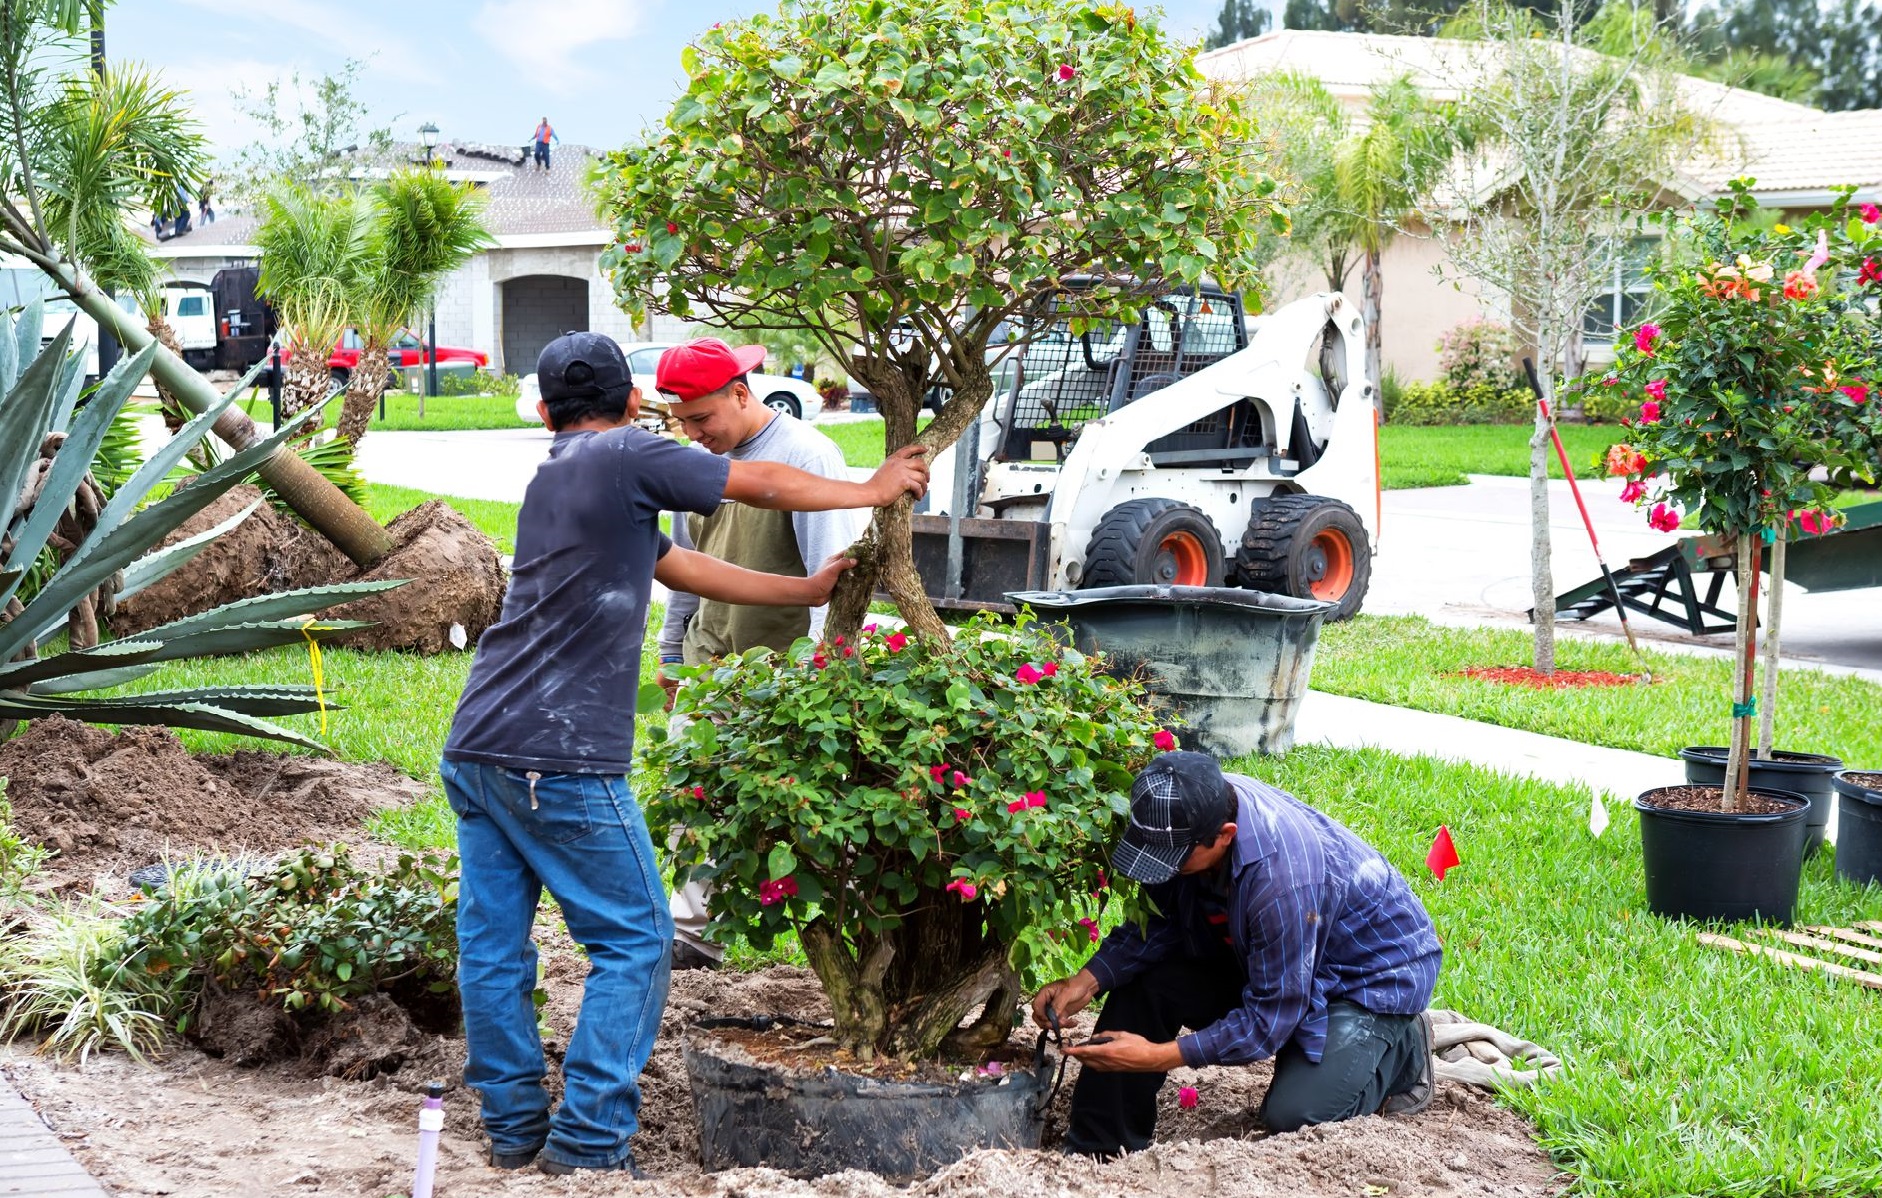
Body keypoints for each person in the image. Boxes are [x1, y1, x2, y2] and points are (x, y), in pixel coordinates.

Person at [440, 332, 928, 1178]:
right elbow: (762, 482)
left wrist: (805, 591)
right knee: (637, 938)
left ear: (549, 411)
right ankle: (589, 1145)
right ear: (635, 405)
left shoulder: (555, 475)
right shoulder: (625, 453)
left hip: (479, 744)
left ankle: (514, 1130)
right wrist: (870, 485)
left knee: (494, 946)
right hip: (558, 755)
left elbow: (679, 566)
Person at [1032, 751, 1443, 1158]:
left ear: (1225, 835)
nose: (1162, 868)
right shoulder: (1184, 812)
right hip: (1279, 954)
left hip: (1369, 975)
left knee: (1295, 1114)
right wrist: (1086, 980)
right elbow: (1161, 923)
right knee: (1143, 981)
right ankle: (1100, 1148)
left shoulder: (1281, 883)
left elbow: (1269, 1019)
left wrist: (1156, 1057)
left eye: (1172, 859)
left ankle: (1403, 1050)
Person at [651, 338, 863, 970]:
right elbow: (686, 569)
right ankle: (690, 939)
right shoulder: (695, 465)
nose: (694, 434)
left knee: (806, 815)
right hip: (710, 661)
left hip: (785, 675)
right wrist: (671, 654)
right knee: (693, 800)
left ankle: (845, 935)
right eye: (681, 422)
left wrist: (818, 678)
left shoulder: (806, 456)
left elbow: (836, 581)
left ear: (741, 393)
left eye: (702, 419)